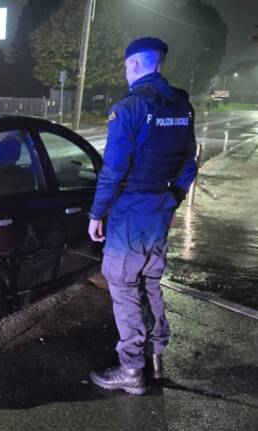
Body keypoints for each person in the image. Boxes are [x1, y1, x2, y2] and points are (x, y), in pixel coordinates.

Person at [87, 37, 198, 395]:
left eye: (125, 65)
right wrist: (173, 199)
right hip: (159, 210)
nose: (125, 71)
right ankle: (155, 357)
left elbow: (113, 170)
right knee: (150, 282)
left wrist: (97, 212)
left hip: (130, 212)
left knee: (122, 285)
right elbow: (188, 163)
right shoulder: (181, 104)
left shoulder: (130, 108)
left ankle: (131, 370)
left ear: (134, 65)